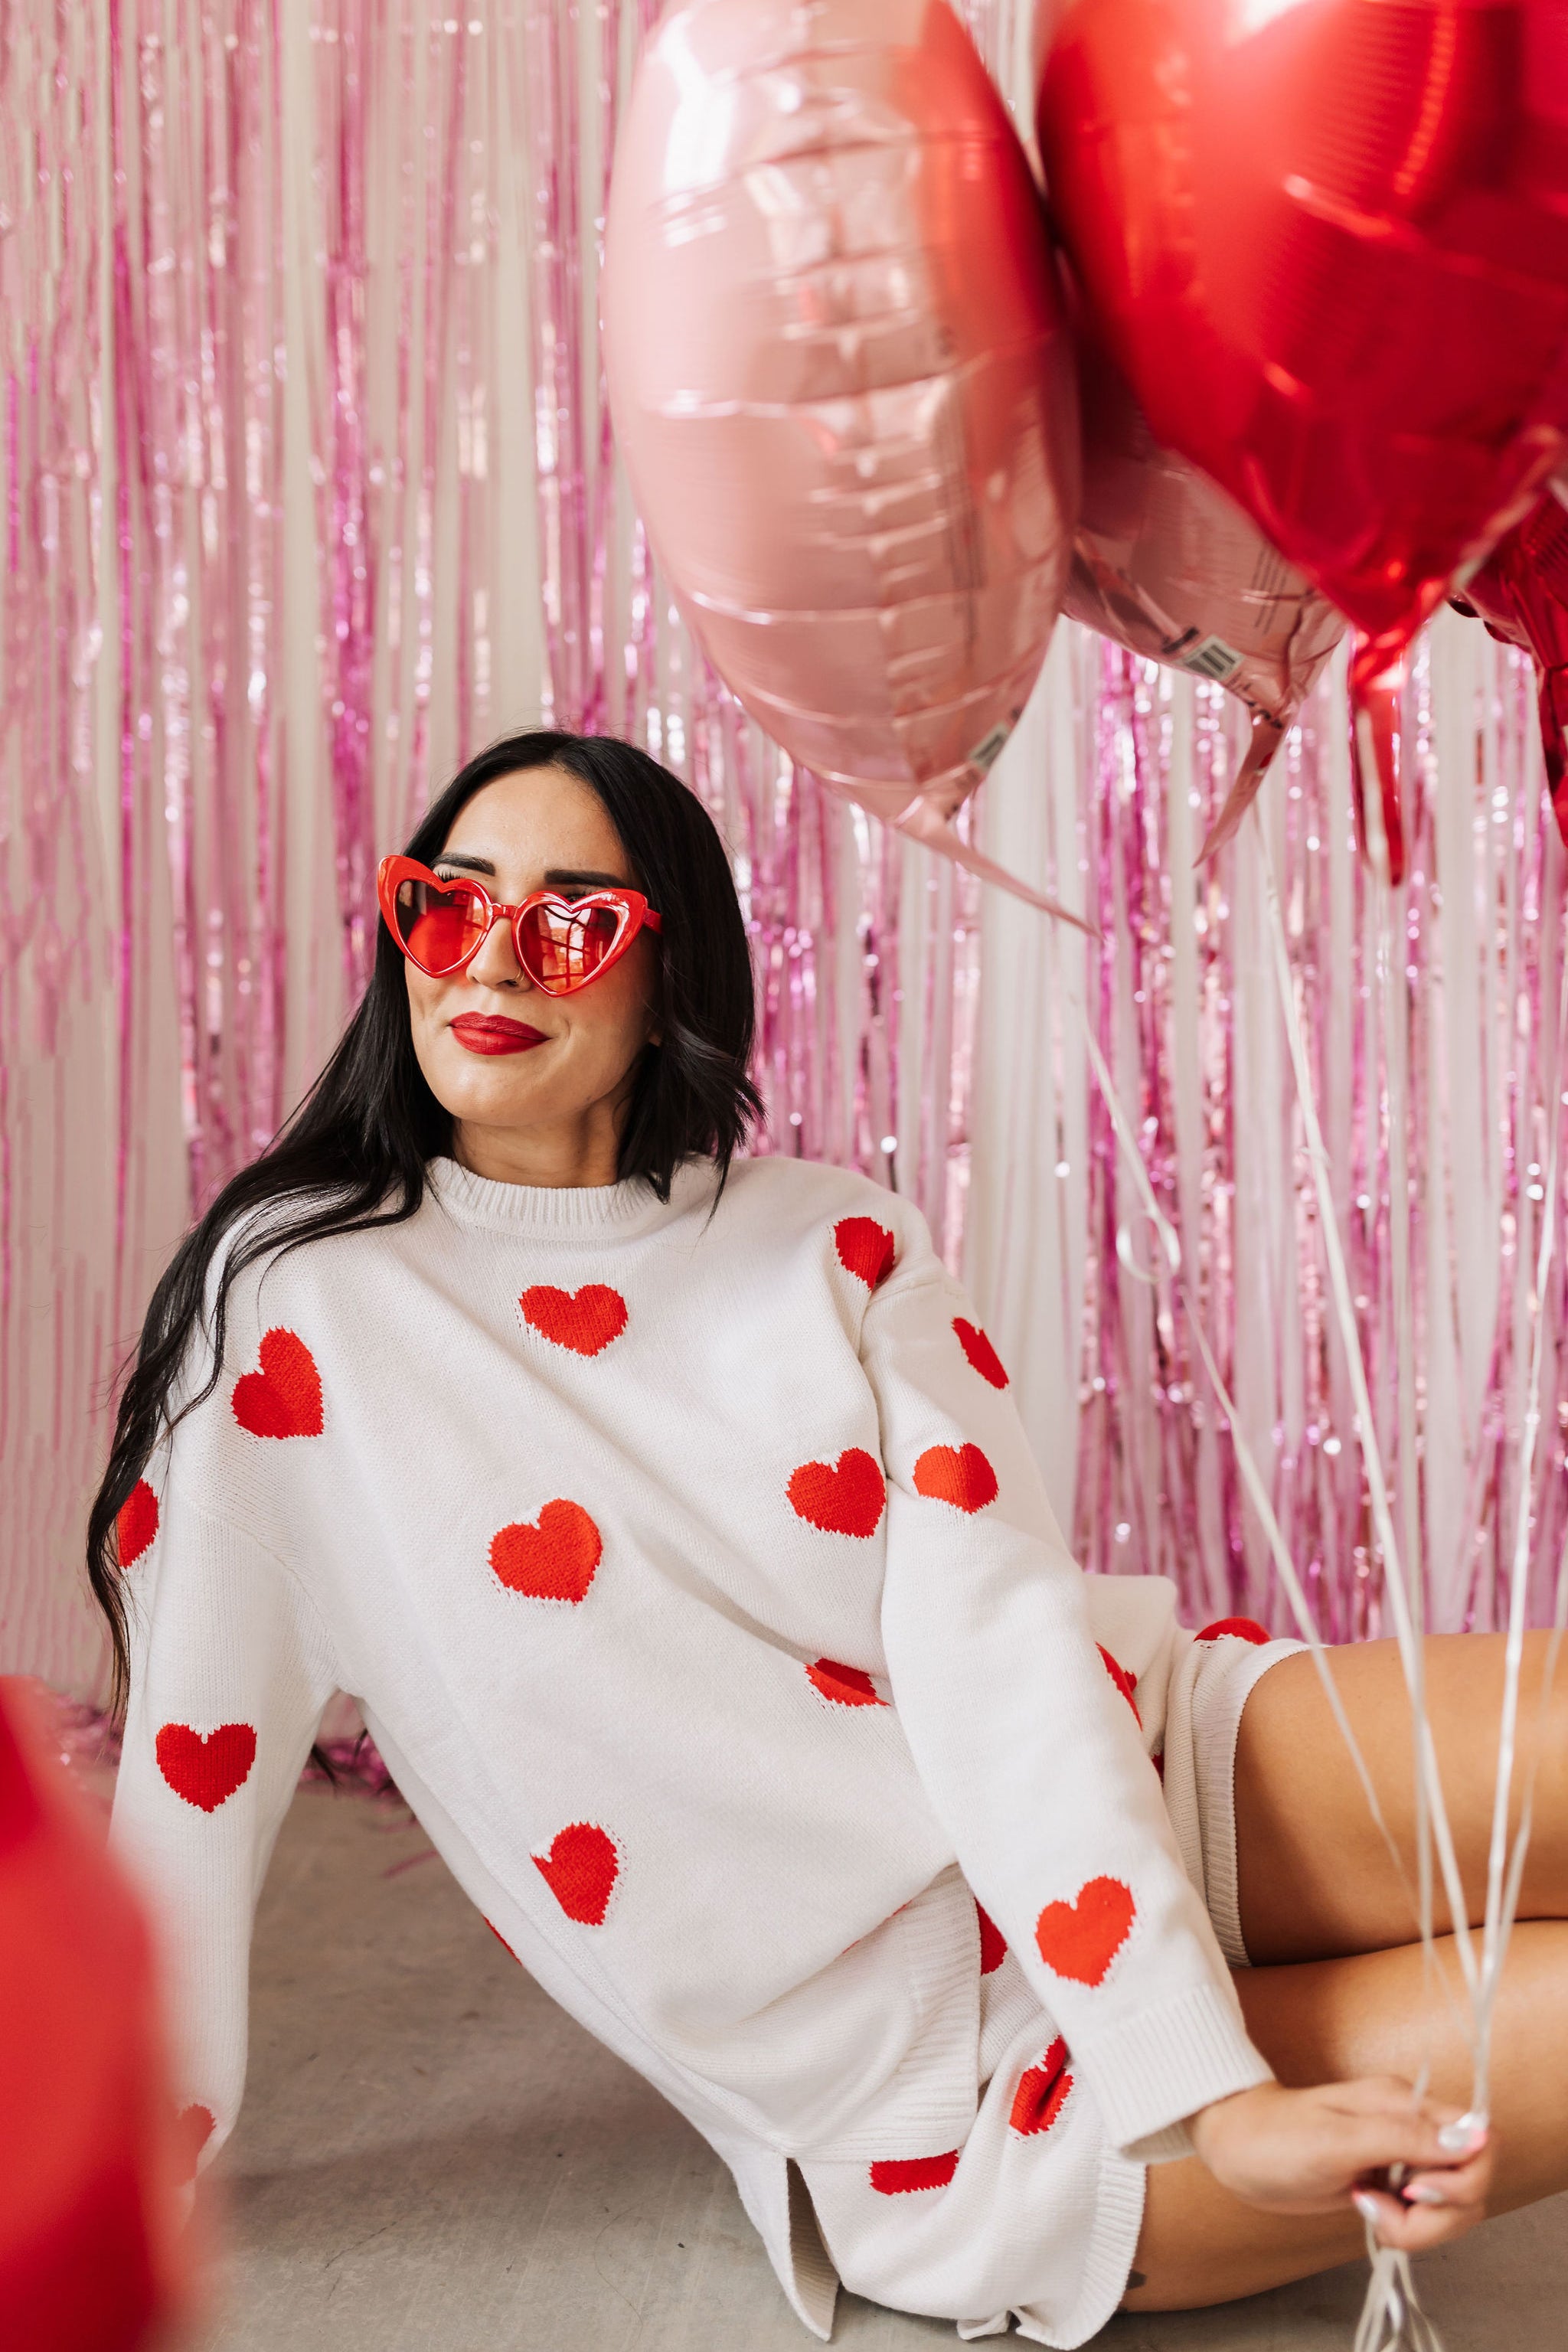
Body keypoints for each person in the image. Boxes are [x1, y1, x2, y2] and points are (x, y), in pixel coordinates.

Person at [90, 729, 1560, 2347]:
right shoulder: (296, 1311)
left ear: (674, 972)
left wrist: (1201, 2083)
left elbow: (995, 1655)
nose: (492, 958)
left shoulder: (834, 1239)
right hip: (953, 2095)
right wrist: (95, 2191)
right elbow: (190, 1797)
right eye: (444, 908)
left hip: (1138, 1761)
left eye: (574, 919)